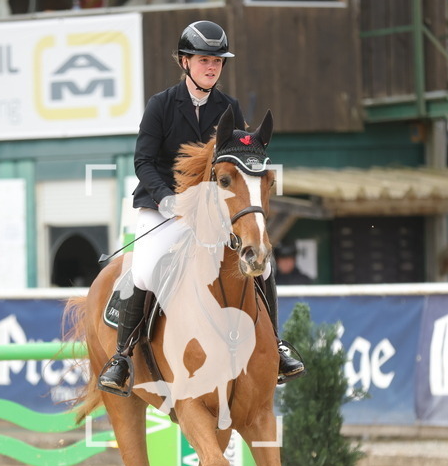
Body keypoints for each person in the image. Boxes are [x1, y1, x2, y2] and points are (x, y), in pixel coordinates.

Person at [97, 20, 305, 396]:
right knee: (145, 267)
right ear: (184, 62)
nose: (212, 67)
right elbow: (143, 161)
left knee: (262, 262)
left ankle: (275, 344)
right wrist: (166, 198)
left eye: (218, 62)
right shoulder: (161, 105)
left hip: (212, 213)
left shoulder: (229, 108)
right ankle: (122, 357)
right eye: (204, 60)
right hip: (164, 207)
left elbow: (238, 163)